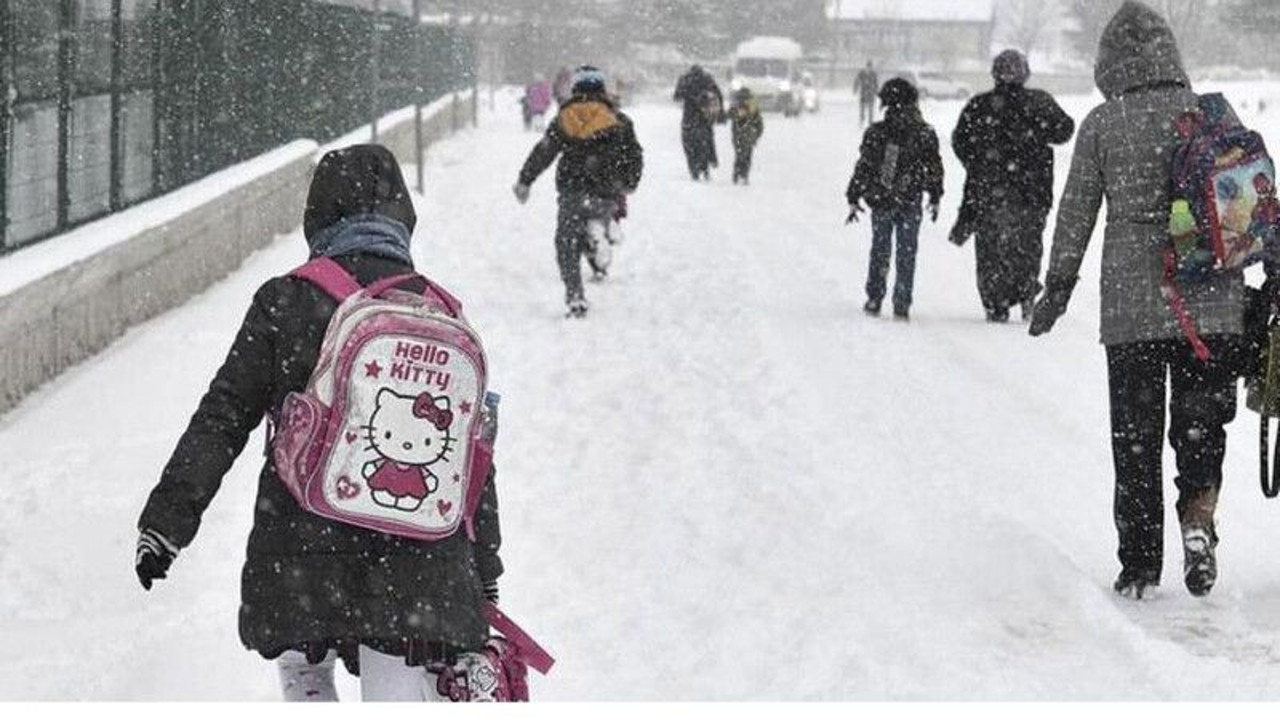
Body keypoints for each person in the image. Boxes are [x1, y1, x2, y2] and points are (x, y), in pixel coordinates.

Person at [134, 144, 504, 700]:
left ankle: (308, 685)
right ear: (402, 218)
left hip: (300, 548)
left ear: (318, 217)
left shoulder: (286, 300)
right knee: (398, 680)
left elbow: (224, 415)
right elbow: (469, 456)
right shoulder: (438, 312)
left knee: (304, 669)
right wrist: (485, 566)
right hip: (416, 561)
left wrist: (166, 522)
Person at [1029, 1, 1245, 599]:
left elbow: (1075, 215)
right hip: (1213, 304)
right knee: (1200, 426)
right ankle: (1198, 519)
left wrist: (1057, 289)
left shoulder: (1103, 123)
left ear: (1109, 62)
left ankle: (1140, 564)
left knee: (1136, 438)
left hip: (1133, 310)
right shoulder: (1206, 116)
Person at [952, 49, 1075, 323]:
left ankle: (996, 302)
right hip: (1032, 191)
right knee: (1028, 245)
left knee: (990, 249)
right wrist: (1037, 133)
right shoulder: (1039, 102)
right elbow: (1065, 130)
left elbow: (960, 141)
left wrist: (979, 164)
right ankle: (1025, 292)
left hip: (989, 191)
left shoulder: (979, 105)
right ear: (1025, 73)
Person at [514, 66, 644, 318]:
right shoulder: (620, 121)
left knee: (566, 242)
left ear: (575, 88)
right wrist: (629, 182)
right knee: (597, 220)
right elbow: (634, 156)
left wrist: (525, 180)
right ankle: (601, 235)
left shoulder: (565, 118)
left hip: (573, 189)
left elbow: (544, 151)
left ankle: (575, 295)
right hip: (607, 191)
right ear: (602, 89)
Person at [845, 78, 943, 321]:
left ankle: (875, 296)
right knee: (906, 251)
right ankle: (902, 301)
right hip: (911, 199)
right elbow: (934, 166)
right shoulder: (925, 133)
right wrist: (935, 193)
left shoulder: (877, 132)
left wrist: (854, 193)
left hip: (882, 199)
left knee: (880, 249)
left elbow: (864, 166)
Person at [674, 65, 724, 181]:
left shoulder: (685, 79)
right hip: (704, 116)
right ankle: (707, 165)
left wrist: (688, 95)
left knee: (689, 145)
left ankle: (694, 170)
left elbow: (676, 96)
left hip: (689, 117)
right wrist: (720, 112)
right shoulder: (707, 79)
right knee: (706, 142)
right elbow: (718, 94)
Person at [728, 88, 765, 185]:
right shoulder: (753, 109)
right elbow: (759, 124)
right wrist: (757, 135)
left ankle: (738, 174)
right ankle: (743, 175)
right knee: (746, 156)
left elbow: (728, 116)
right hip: (749, 137)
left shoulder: (736, 108)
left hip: (739, 137)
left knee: (739, 155)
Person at [855, 60, 879, 128]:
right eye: (868, 66)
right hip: (863, 93)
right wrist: (856, 88)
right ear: (866, 66)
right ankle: (862, 120)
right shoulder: (862, 73)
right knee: (862, 109)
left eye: (870, 66)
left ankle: (870, 122)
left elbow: (876, 83)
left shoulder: (873, 74)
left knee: (871, 109)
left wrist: (876, 91)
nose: (869, 68)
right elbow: (857, 80)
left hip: (871, 94)